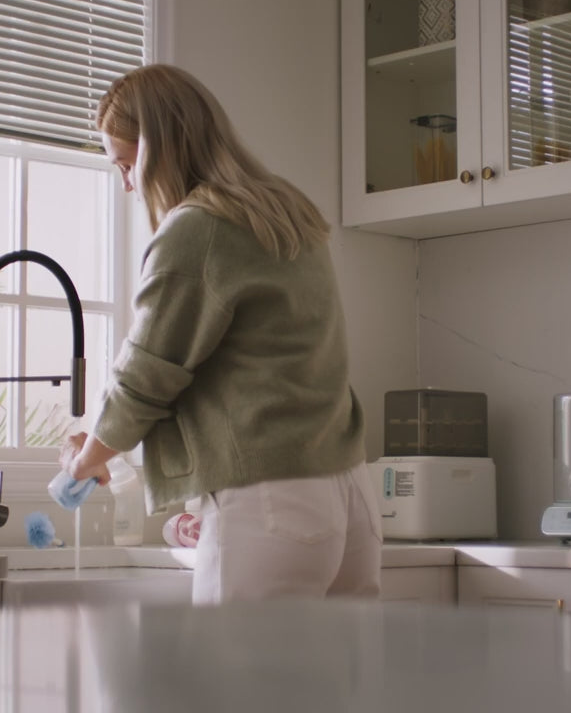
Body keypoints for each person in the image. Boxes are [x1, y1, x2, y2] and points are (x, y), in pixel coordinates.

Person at [59, 64, 380, 605]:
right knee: (336, 665)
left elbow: (146, 373)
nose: (128, 184)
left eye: (127, 164)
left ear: (158, 149)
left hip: (271, 499)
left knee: (233, 664)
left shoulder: (197, 229)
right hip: (349, 493)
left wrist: (87, 459)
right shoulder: (285, 210)